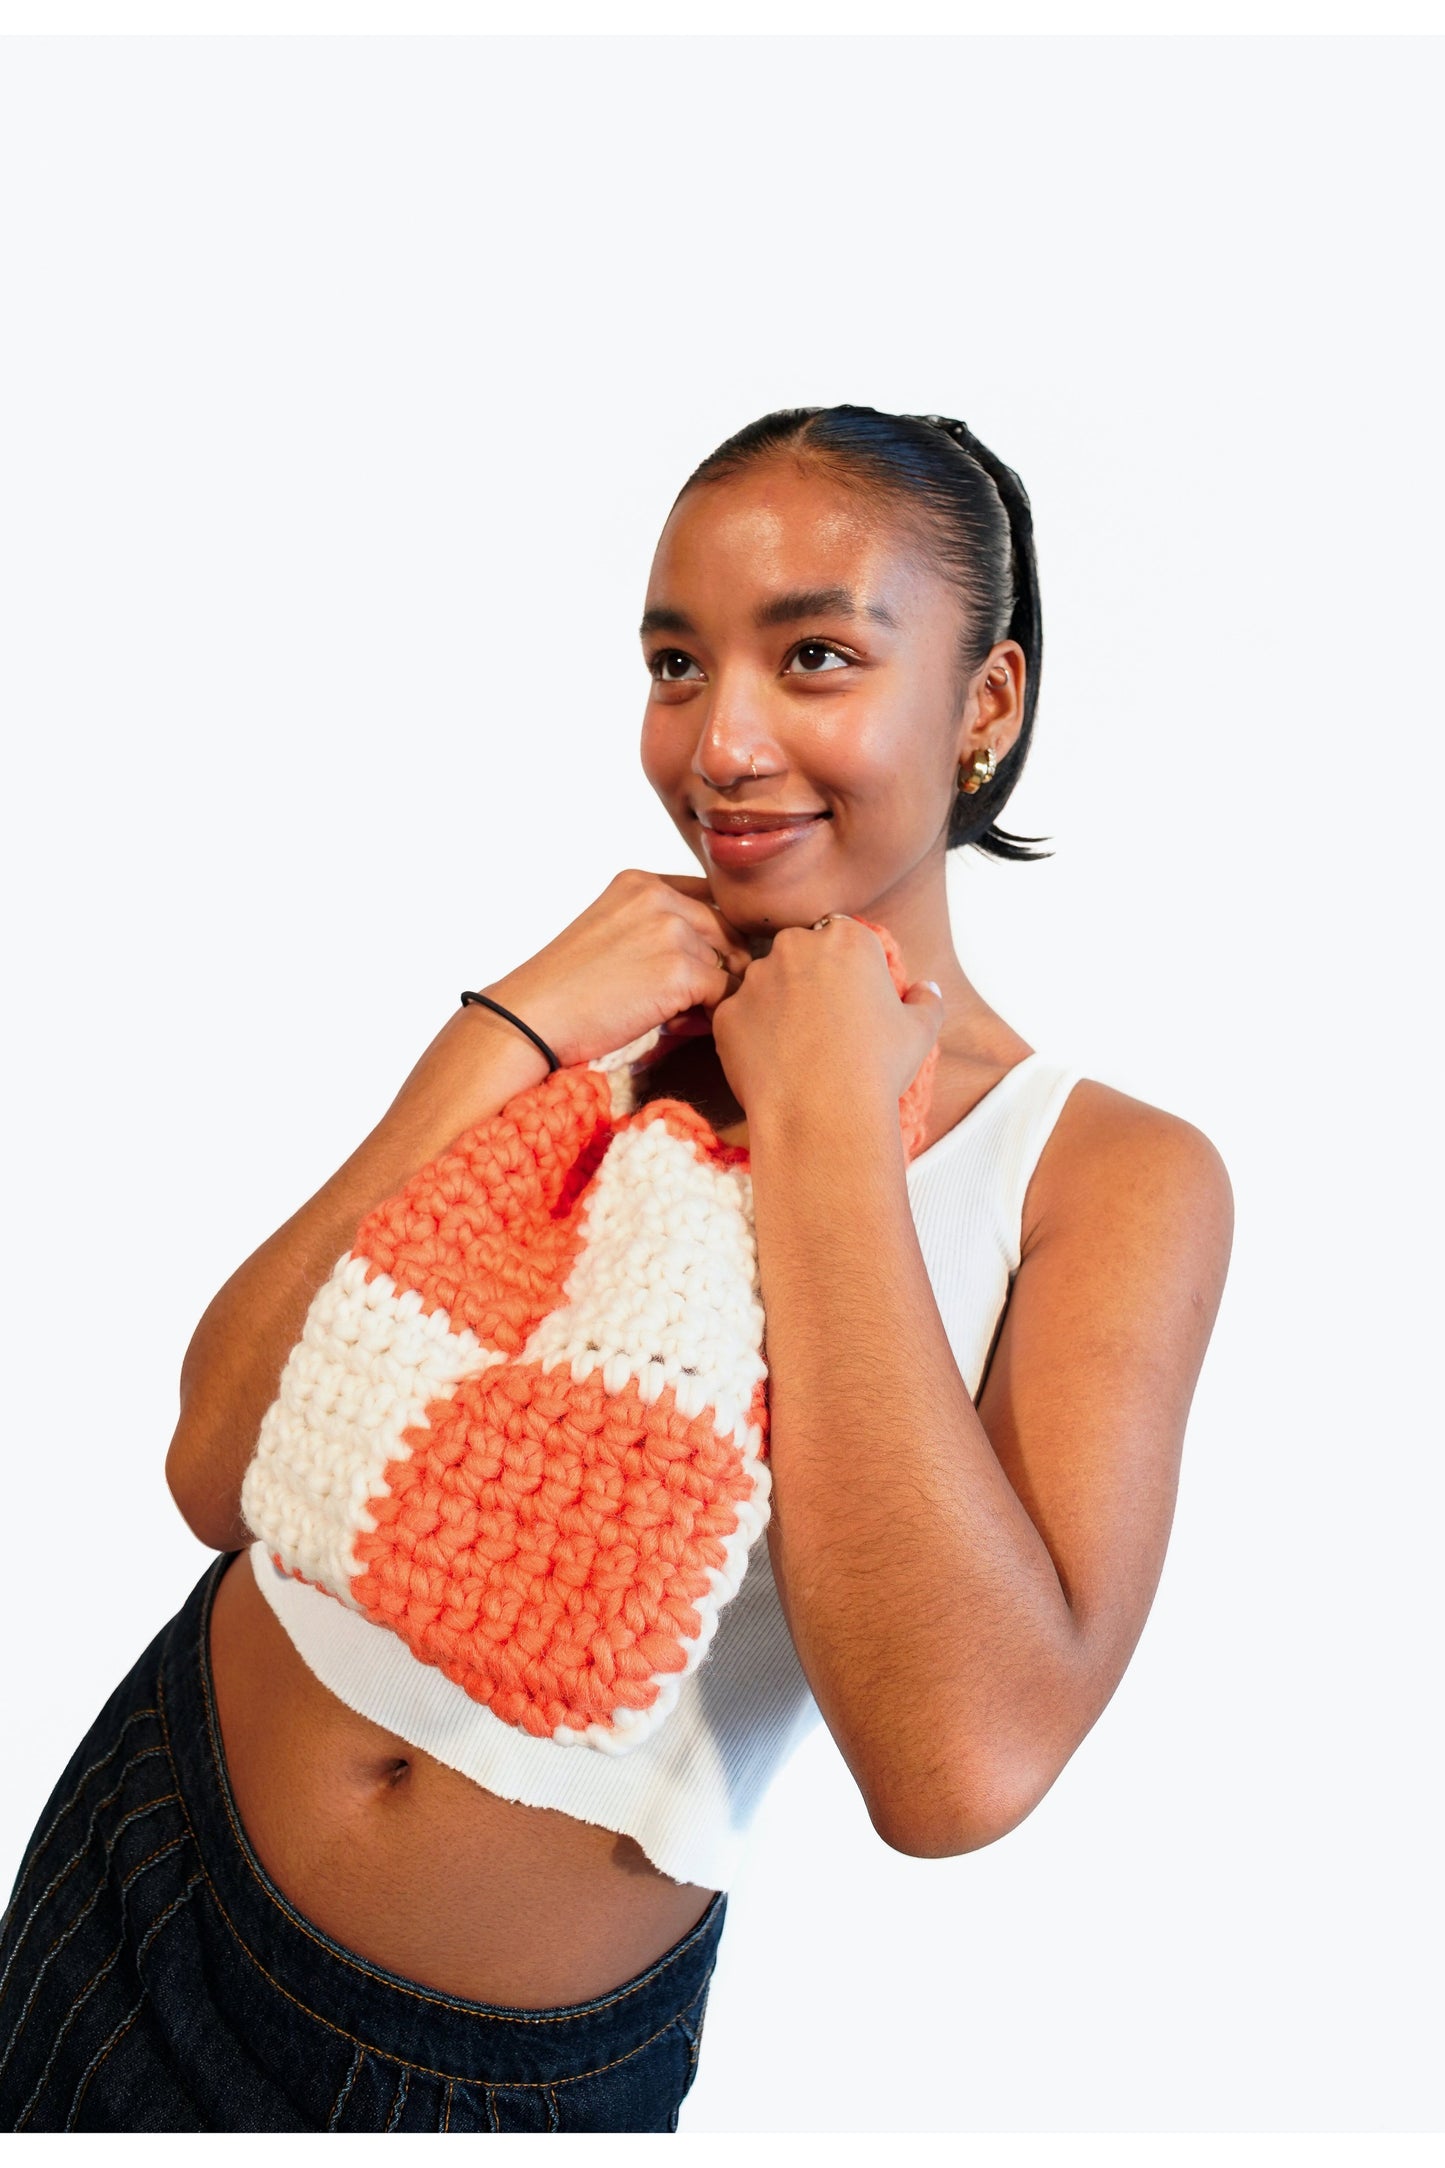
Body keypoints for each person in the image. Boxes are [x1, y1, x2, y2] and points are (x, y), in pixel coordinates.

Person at [0, 404, 1233, 2133]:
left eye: (812, 655)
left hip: (484, 2077)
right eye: (674, 661)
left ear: (985, 702)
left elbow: (960, 1766)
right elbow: (216, 1470)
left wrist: (819, 1134)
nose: (720, 740)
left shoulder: (1098, 1174)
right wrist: (505, 1029)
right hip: (142, 1841)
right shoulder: (601, 1014)